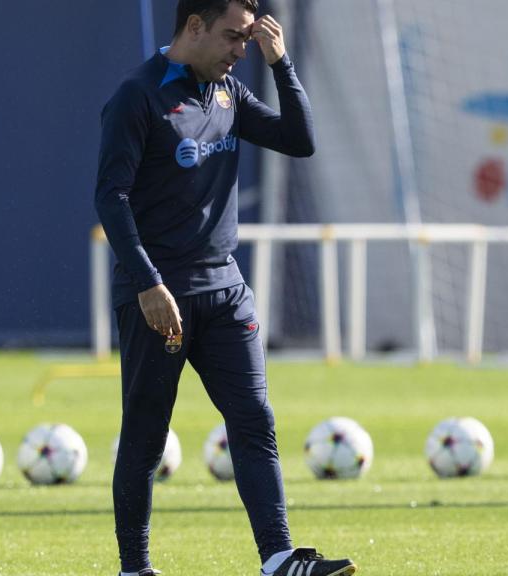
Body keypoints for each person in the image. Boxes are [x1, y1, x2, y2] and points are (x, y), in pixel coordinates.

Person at [95, 1, 357, 575]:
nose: (242, 51)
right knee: (145, 436)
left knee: (254, 418)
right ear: (194, 26)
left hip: (225, 290)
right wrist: (147, 283)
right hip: (160, 298)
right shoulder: (138, 96)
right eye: (234, 37)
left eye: (247, 38)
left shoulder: (228, 92)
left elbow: (299, 139)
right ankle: (135, 568)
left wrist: (281, 63)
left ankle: (278, 558)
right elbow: (110, 198)